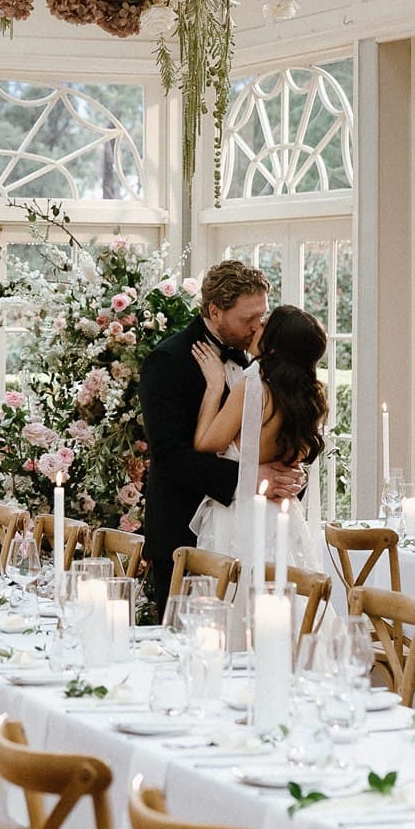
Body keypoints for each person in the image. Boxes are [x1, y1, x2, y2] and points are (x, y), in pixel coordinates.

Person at [139, 260, 306, 621]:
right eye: (248, 319)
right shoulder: (167, 362)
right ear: (215, 311)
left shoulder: (264, 359)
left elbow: (277, 434)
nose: (258, 326)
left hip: (255, 533)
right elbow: (170, 457)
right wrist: (251, 479)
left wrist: (289, 477)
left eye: (262, 316)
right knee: (187, 648)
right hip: (183, 534)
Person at [187, 303, 328, 579]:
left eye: (264, 324)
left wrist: (214, 387)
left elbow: (206, 443)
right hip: (281, 517)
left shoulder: (253, 386)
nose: (256, 326)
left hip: (240, 517)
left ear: (274, 345)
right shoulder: (311, 399)